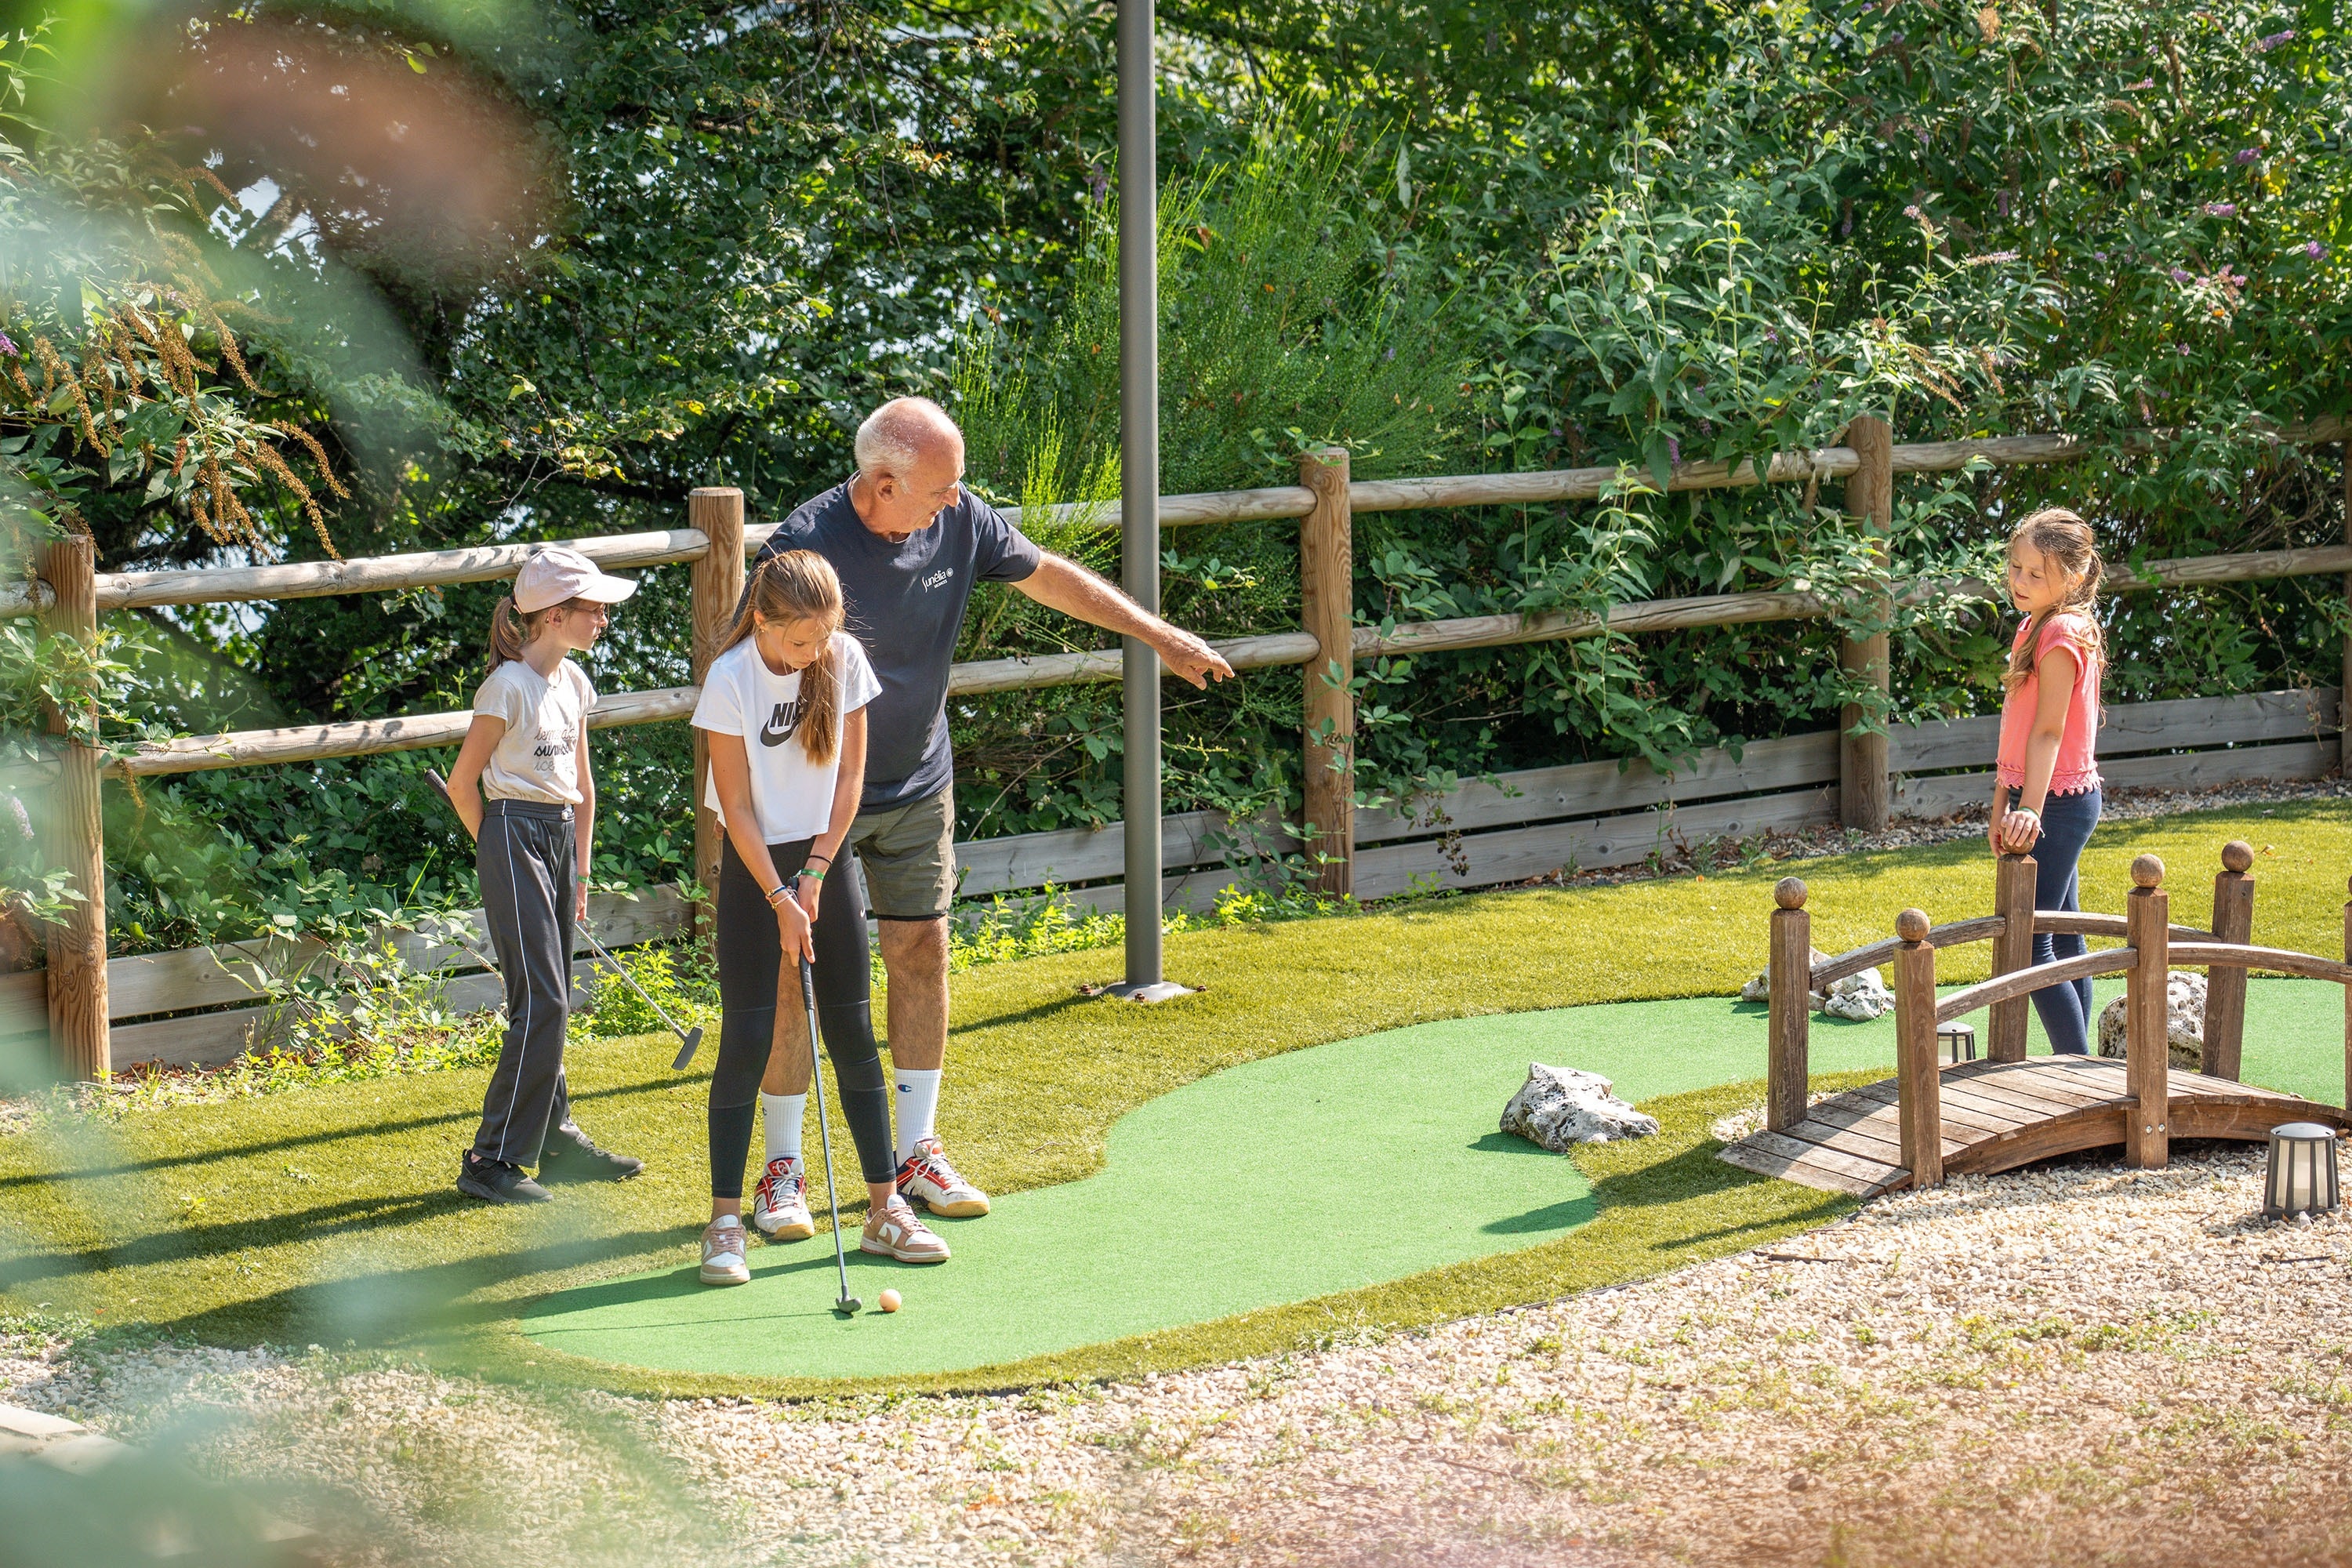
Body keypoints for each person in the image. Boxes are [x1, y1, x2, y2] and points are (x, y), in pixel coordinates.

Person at [746, 397, 1236, 1219]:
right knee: (797, 979)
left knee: (923, 952)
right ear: (883, 481)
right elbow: (743, 678)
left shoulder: (960, 518)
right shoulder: (800, 549)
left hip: (913, 783)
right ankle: (784, 1169)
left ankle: (916, 1153)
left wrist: (1159, 635)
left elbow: (1049, 576)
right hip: (809, 793)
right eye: (940, 488)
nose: (956, 502)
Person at [690, 549, 951, 1287]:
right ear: (763, 621)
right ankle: (724, 1224)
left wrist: (815, 873)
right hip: (753, 867)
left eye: (821, 639)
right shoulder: (732, 676)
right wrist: (779, 895)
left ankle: (883, 1211)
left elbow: (850, 777)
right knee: (745, 1036)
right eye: (798, 642)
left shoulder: (842, 658)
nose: (811, 655)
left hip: (822, 862)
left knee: (851, 1034)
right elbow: (734, 806)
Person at [447, 546, 647, 1203]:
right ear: (556, 616)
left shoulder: (575, 685)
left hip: (558, 838)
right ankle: (491, 1159)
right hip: (511, 832)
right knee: (545, 1001)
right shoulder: (506, 687)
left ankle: (555, 1142)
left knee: (551, 995)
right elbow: (462, 783)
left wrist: (581, 871)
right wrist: (498, 851)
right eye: (594, 610)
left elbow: (582, 788)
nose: (604, 620)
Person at [1987, 508, 2107, 1055]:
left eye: (2037, 573)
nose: (2020, 581)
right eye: (2016, 568)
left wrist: (2029, 812)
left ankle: (2076, 1074)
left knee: (2032, 941)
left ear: (2074, 578)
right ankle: (2086, 1075)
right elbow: (2016, 728)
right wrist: (2002, 800)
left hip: (2058, 803)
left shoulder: (2061, 633)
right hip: (2041, 798)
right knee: (2062, 934)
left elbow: (2050, 732)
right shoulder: (2034, 623)